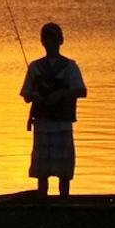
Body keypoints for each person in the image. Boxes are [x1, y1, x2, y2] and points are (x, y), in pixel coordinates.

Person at [21, 21, 88, 196]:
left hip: (62, 125)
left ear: (61, 40)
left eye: (53, 38)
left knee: (64, 171)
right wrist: (35, 95)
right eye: (47, 38)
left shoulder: (70, 66)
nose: (50, 42)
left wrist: (61, 94)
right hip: (42, 125)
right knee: (42, 172)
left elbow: (82, 91)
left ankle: (64, 202)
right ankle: (43, 203)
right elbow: (26, 95)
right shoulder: (35, 67)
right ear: (42, 42)